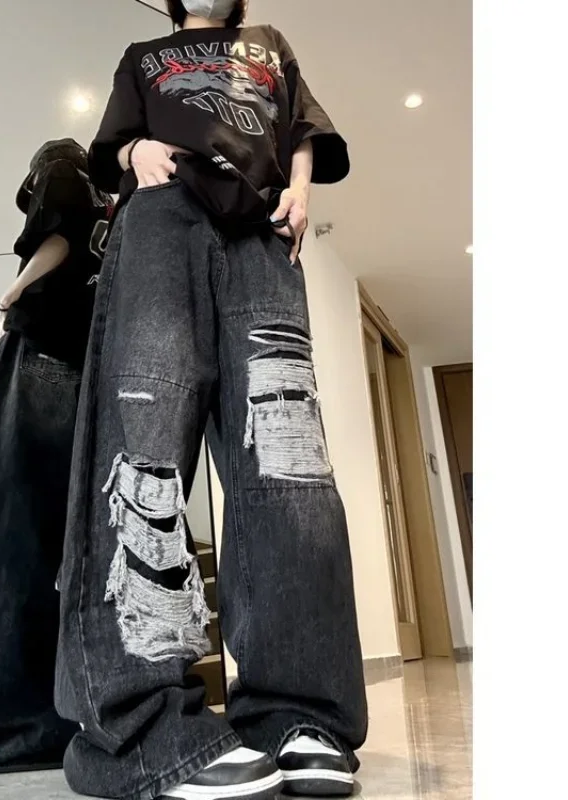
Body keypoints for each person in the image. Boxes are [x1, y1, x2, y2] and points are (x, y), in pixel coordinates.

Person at [54, 1, 369, 799]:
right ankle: (138, 728)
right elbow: (112, 146)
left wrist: (301, 191)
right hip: (161, 222)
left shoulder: (269, 46)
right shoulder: (144, 53)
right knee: (144, 443)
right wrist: (138, 151)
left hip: (262, 229)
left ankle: (301, 714)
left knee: (288, 463)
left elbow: (301, 127)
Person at [0, 139, 113, 770]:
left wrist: (13, 292)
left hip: (42, 351)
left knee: (9, 534)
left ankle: (8, 730)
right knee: (77, 547)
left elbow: (56, 236)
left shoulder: (63, 170)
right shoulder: (119, 210)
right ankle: (76, 715)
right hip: (93, 368)